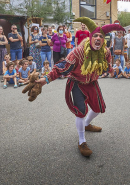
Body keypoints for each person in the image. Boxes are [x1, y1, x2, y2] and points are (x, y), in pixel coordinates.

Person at [35, 17, 124, 157]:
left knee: (98, 108)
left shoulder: (105, 52)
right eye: (95, 35)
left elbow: (107, 63)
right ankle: (82, 141)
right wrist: (46, 79)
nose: (98, 38)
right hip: (77, 83)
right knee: (81, 111)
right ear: (90, 37)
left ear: (104, 39)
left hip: (92, 83)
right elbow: (62, 67)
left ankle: (87, 124)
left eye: (101, 36)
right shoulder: (78, 52)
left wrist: (111, 70)